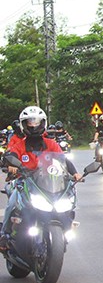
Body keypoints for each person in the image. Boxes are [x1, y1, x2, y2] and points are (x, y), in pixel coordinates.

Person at [1, 106, 81, 251]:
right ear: (23, 124)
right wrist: (11, 164)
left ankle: (66, 227)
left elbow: (63, 160)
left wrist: (75, 173)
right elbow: (11, 156)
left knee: (67, 200)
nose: (33, 125)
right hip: (23, 182)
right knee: (12, 202)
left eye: (36, 122)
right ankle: (4, 234)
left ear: (42, 123)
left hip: (46, 183)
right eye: (30, 122)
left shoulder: (51, 144)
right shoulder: (19, 144)